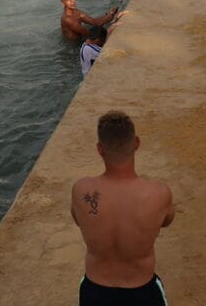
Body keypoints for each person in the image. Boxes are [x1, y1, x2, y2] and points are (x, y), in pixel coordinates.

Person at [71, 111, 174, 306]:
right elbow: (167, 220)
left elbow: (78, 219)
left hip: (96, 290)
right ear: (136, 143)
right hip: (141, 290)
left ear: (100, 149)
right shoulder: (159, 193)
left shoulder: (80, 190)